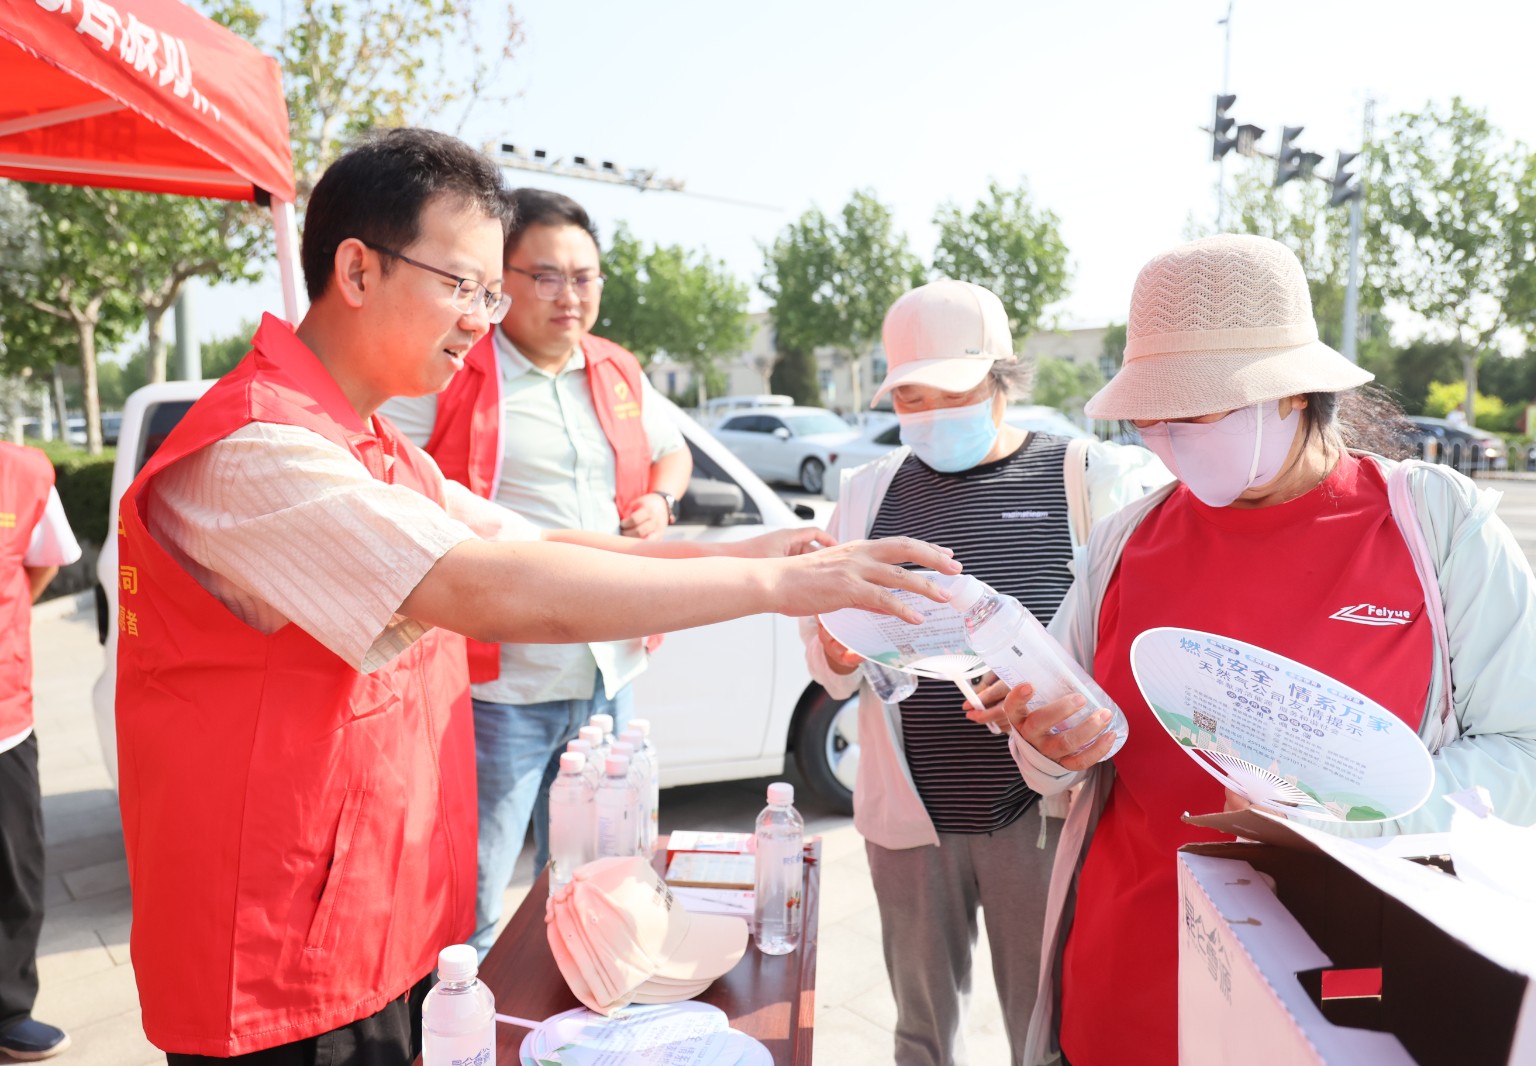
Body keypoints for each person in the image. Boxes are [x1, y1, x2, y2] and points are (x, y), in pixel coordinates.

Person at [114, 128, 960, 1064]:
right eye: (463, 285)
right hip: (280, 965)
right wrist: (775, 583)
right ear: (356, 270)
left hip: (372, 930)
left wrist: (760, 548)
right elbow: (487, 586)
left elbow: (540, 544)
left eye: (490, 293)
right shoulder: (259, 451)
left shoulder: (374, 446)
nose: (481, 319)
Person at [981, 234, 1536, 1066]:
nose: (1165, 439)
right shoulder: (1125, 541)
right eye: (1149, 417)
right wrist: (1048, 746)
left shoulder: (1432, 524)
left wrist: (1357, 813)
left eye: (1194, 413)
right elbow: (1056, 759)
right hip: (1123, 989)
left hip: (1347, 1002)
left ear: (1292, 394)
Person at [800, 279, 1169, 1066]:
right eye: (913, 397)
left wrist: (1043, 688)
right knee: (920, 1031)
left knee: (1047, 1027)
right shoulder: (868, 494)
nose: (932, 413)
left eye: (953, 393)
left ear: (1002, 379)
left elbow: (1125, 642)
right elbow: (830, 662)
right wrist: (836, 649)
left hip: (1038, 816)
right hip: (910, 818)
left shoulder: (1086, 478)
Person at [381, 188, 690, 954]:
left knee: (599, 882)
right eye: (547, 276)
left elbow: (672, 451)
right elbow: (382, 460)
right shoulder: (456, 368)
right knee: (475, 893)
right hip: (501, 686)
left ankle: (581, 999)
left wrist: (660, 498)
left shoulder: (616, 369)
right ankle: (465, 1010)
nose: (569, 296)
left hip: (607, 672)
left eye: (585, 277)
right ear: (503, 279)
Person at [0, 441, 79, 1062]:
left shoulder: (23, 473)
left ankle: (8, 1009)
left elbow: (43, 561)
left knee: (15, 869)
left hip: (4, 715)